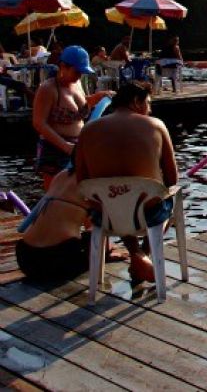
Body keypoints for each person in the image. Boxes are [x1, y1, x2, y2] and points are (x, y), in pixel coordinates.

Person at [76, 81, 178, 282]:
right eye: (148, 103)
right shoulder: (156, 126)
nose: (149, 110)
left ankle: (136, 255)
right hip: (148, 214)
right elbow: (172, 179)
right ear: (136, 101)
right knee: (166, 199)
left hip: (106, 216)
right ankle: (144, 254)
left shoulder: (87, 130)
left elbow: (82, 181)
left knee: (117, 202)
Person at [32, 45, 113, 190]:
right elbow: (39, 123)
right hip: (55, 149)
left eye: (82, 72)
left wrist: (98, 97)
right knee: (56, 195)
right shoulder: (48, 88)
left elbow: (80, 106)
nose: (80, 76)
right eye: (77, 71)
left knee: (80, 193)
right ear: (63, 67)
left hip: (78, 146)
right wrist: (65, 146)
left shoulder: (77, 83)